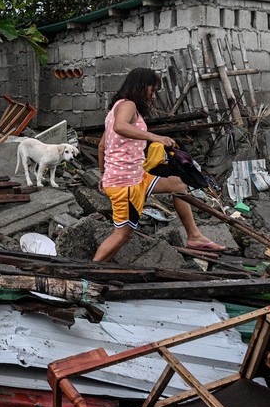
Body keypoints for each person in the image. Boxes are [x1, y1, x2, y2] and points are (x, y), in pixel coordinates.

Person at [93, 68, 225, 262]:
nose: (152, 95)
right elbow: (120, 127)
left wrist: (103, 174)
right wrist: (155, 137)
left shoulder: (115, 109)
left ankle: (194, 237)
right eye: (152, 90)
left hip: (136, 177)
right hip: (126, 183)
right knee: (122, 234)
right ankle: (88, 276)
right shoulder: (128, 105)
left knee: (178, 184)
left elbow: (102, 145)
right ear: (140, 86)